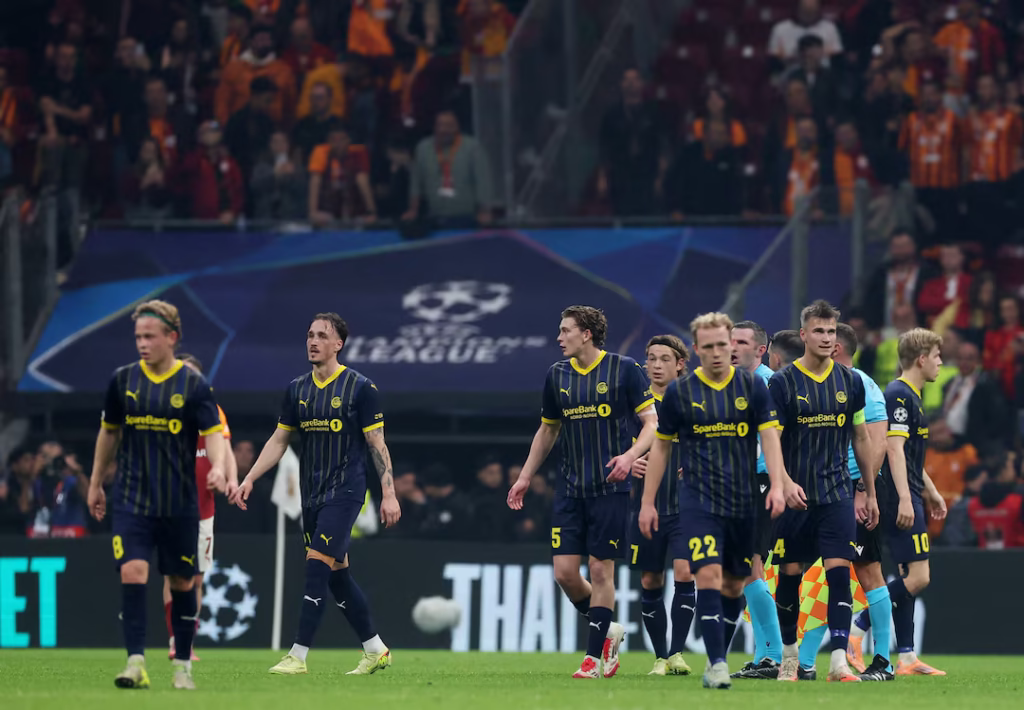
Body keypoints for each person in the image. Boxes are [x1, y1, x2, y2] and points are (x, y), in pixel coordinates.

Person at [229, 313, 401, 675]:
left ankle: (298, 655)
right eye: (310, 334)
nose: (313, 341)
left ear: (339, 344)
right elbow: (279, 440)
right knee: (337, 575)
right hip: (311, 494)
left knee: (315, 566)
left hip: (346, 491)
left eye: (322, 335)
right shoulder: (297, 389)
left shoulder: (360, 388)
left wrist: (389, 493)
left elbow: (377, 444)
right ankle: (375, 649)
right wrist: (250, 477)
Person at [506, 305, 657, 679]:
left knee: (601, 570)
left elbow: (652, 423)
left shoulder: (624, 369)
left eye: (565, 330)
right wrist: (525, 476)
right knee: (565, 573)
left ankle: (592, 659)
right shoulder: (557, 374)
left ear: (586, 333)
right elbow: (548, 430)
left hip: (610, 488)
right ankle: (609, 629)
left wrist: (630, 456)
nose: (559, 337)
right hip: (570, 489)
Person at [639, 312, 787, 690]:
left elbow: (771, 437)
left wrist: (778, 484)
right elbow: (661, 448)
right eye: (709, 347)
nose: (718, 352)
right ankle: (718, 663)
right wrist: (648, 502)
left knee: (735, 585)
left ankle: (717, 654)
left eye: (724, 344)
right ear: (696, 349)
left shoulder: (753, 387)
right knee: (706, 574)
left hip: (743, 501)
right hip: (698, 500)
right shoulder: (680, 392)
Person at [87, 300, 228, 690]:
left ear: (172, 337)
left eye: (149, 336)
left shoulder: (194, 386)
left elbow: (214, 434)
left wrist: (218, 467)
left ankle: (182, 666)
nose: (142, 344)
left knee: (182, 582)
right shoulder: (122, 381)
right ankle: (135, 662)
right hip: (132, 498)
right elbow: (109, 433)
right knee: (133, 571)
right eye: (138, 337)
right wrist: (96, 482)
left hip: (178, 502)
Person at [768, 300, 878, 683]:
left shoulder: (851, 382)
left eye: (831, 331)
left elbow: (861, 437)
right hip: (796, 495)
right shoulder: (783, 383)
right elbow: (772, 440)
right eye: (819, 331)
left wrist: (868, 491)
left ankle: (838, 662)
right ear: (804, 335)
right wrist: (783, 482)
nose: (827, 338)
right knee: (790, 576)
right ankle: (789, 656)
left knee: (839, 574)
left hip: (836, 494)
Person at [796, 323, 893, 681]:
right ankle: (805, 661)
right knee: (826, 572)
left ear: (835, 348)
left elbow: (877, 441)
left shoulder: (860, 384)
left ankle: (883, 661)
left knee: (868, 571)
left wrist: (864, 491)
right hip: (825, 487)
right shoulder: (826, 382)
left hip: (853, 488)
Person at [875, 328, 948, 675]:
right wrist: (907, 498)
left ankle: (906, 656)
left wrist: (930, 490)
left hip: (909, 492)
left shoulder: (912, 396)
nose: (940, 362)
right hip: (898, 497)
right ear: (921, 359)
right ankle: (860, 622)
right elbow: (893, 449)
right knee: (919, 577)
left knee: (907, 576)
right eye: (936, 356)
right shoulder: (899, 395)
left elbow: (911, 458)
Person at [162, 354, 239, 661]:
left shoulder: (212, 411)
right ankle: (174, 640)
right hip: (170, 504)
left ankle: (187, 642)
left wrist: (232, 479)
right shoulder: (162, 409)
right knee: (173, 574)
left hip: (203, 507)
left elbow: (226, 448)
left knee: (196, 578)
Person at [627, 335, 694, 676]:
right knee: (651, 579)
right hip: (646, 506)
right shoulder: (635, 405)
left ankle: (677, 652)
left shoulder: (693, 400)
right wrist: (630, 461)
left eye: (664, 359)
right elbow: (620, 446)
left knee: (684, 572)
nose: (656, 365)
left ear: (680, 364)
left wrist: (695, 462)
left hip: (686, 506)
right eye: (651, 358)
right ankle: (660, 656)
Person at [729, 321, 786, 680]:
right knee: (748, 568)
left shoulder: (768, 384)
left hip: (762, 481)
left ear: (761, 350)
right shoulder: (733, 383)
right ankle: (764, 654)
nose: (732, 347)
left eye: (741, 342)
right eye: (730, 341)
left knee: (751, 565)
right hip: (740, 482)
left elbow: (775, 436)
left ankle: (774, 655)